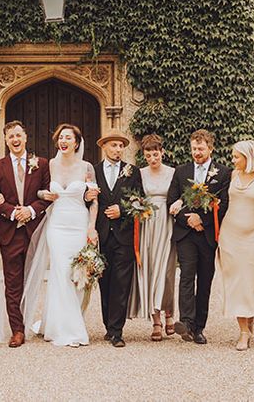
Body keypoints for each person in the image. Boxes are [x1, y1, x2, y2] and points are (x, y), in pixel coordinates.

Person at [23, 123, 98, 347]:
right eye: (61, 137)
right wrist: (44, 194)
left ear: (77, 142)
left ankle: (61, 321)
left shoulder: (86, 168)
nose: (63, 141)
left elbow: (93, 201)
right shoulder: (49, 165)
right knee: (59, 271)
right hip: (56, 225)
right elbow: (34, 190)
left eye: (68, 137)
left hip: (78, 223)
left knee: (75, 273)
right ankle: (67, 329)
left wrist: (91, 228)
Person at [0, 120, 51, 348]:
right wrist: (13, 212)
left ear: (25, 138)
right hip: (10, 232)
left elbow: (47, 194)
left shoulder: (41, 164)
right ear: (5, 140)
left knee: (33, 279)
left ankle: (36, 320)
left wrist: (31, 210)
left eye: (18, 135)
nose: (15, 140)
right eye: (10, 136)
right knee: (12, 283)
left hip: (35, 232)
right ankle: (17, 330)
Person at [167, 129, 230, 345]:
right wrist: (188, 219)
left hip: (207, 234)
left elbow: (223, 205)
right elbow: (172, 201)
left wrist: (201, 220)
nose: (197, 152)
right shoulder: (181, 171)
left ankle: (199, 327)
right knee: (186, 275)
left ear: (210, 148)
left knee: (205, 279)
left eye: (201, 149)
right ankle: (185, 322)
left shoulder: (222, 173)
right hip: (185, 233)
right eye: (194, 148)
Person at [87, 128, 143, 347]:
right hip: (102, 235)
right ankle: (107, 325)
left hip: (124, 235)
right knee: (105, 282)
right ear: (104, 147)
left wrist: (122, 209)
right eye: (114, 145)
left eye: (121, 146)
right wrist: (86, 195)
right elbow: (87, 201)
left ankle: (117, 331)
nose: (118, 149)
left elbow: (140, 200)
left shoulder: (132, 171)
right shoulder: (94, 171)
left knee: (121, 283)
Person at [216, 139, 254, 351]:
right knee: (237, 282)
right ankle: (243, 331)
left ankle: (250, 312)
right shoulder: (233, 175)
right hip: (230, 235)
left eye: (237, 156)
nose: (233, 160)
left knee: (252, 280)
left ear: (249, 157)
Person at [129, 133, 177, 341]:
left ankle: (169, 314)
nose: (152, 158)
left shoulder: (173, 173)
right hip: (147, 224)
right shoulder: (139, 174)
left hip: (167, 223)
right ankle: (155, 318)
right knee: (149, 269)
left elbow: (179, 196)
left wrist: (180, 204)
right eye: (148, 155)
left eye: (155, 154)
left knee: (166, 271)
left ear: (162, 152)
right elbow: (135, 196)